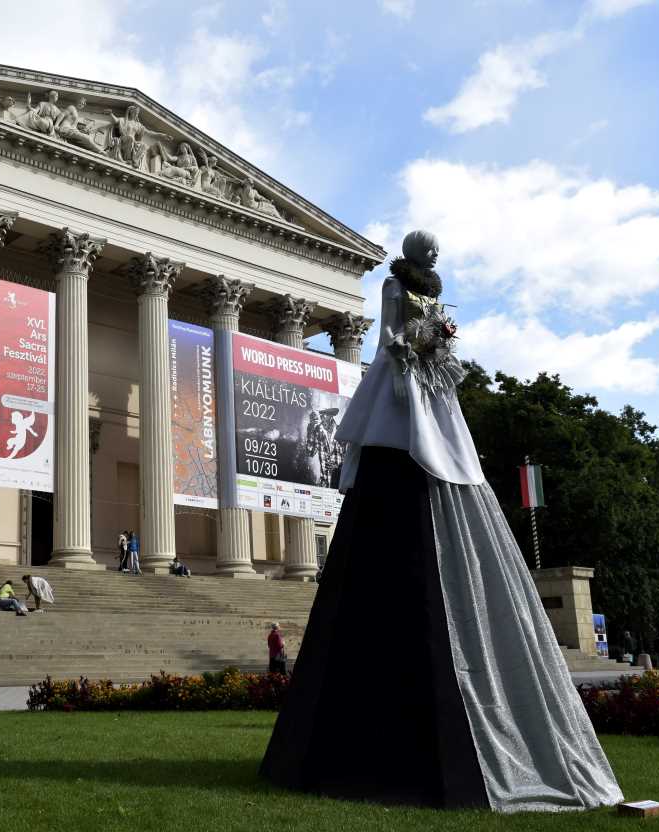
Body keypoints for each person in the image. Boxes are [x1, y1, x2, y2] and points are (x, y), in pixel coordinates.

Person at [259, 231, 623, 812]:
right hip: (400, 374)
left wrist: (434, 346)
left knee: (446, 455)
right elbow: (387, 336)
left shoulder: (431, 288)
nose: (433, 261)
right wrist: (414, 346)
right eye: (428, 253)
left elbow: (424, 331)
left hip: (429, 383)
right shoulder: (394, 285)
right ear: (415, 252)